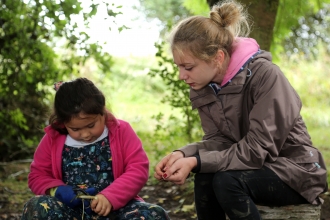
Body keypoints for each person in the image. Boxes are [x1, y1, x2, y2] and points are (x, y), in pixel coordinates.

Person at [154, 0, 328, 219]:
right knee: (205, 176)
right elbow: (221, 140)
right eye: (178, 67)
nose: (182, 76)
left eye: (188, 67)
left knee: (226, 180)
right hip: (252, 167)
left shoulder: (266, 76)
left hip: (296, 171)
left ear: (217, 58)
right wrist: (183, 153)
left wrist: (197, 161)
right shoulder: (202, 84)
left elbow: (257, 150)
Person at [22, 77, 170, 220]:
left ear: (102, 112)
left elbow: (138, 169)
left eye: (91, 125)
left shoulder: (121, 131)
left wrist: (110, 197)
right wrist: (56, 190)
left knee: (154, 214)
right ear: (63, 122)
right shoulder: (53, 138)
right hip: (71, 212)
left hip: (118, 209)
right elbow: (37, 176)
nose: (86, 134)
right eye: (75, 129)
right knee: (36, 206)